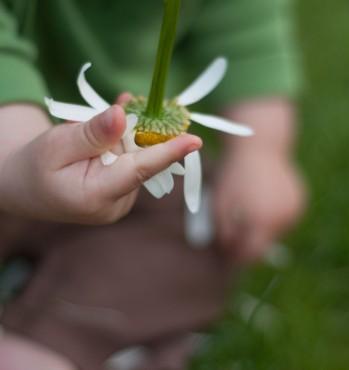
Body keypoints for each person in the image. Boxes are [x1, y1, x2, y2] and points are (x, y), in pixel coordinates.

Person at [0, 1, 305, 370]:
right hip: (12, 146)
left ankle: (56, 337)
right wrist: (20, 158)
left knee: (201, 230)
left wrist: (261, 152)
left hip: (141, 170)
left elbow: (247, 37)